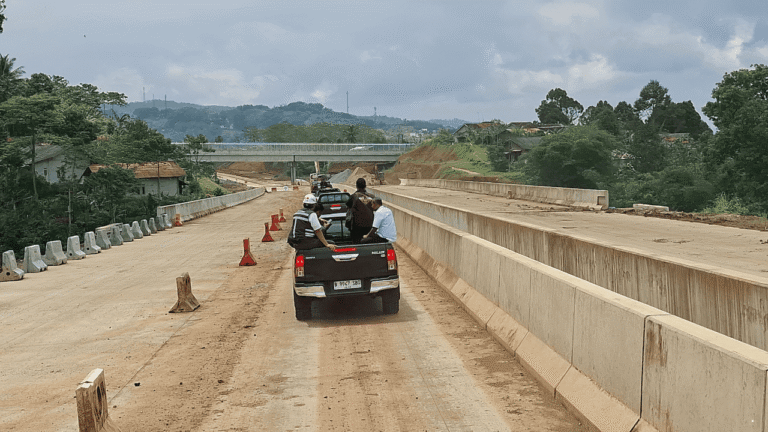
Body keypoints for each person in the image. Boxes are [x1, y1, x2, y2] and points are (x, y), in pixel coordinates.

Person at [345, 177, 375, 243]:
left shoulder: (353, 197)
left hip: (357, 227)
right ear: (365, 186)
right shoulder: (372, 197)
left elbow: (348, 207)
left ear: (356, 186)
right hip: (370, 227)